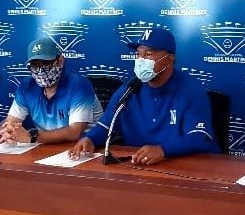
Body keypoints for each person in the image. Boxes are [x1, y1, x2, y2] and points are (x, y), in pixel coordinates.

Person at [68, 27, 218, 164]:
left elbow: (200, 137)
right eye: (138, 54)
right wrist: (90, 139)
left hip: (188, 168)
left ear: (170, 58)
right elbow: (105, 126)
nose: (141, 60)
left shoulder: (191, 89)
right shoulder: (129, 89)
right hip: (141, 166)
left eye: (148, 54)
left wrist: (163, 150)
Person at [0, 37, 102, 144]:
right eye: (35, 66)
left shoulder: (79, 84)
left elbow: (74, 132)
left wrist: (32, 137)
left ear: (60, 61)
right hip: (46, 146)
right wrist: (9, 129)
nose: (40, 71)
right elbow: (12, 120)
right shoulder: (27, 85)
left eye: (46, 64)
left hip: (83, 148)